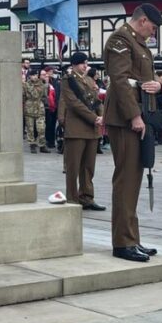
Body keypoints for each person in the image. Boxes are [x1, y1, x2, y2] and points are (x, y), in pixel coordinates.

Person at [102, 3, 162, 263]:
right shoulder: (120, 40)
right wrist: (134, 115)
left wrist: (157, 85)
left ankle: (132, 238)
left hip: (139, 116)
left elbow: (142, 80)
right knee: (126, 180)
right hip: (125, 119)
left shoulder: (138, 43)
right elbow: (120, 80)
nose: (154, 33)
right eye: (153, 27)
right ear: (142, 21)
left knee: (134, 181)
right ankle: (122, 243)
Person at [59, 52, 105, 210]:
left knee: (88, 166)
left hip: (92, 130)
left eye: (86, 63)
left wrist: (102, 115)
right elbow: (74, 104)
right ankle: (72, 198)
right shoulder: (68, 80)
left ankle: (87, 197)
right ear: (73, 65)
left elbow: (96, 100)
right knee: (73, 167)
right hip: (77, 128)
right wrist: (94, 118)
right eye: (81, 63)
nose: (85, 66)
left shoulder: (89, 79)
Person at [22, 72, 47, 154]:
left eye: (36, 75)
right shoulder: (26, 85)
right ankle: (32, 145)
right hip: (29, 108)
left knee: (41, 128)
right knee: (30, 128)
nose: (35, 77)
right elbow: (23, 96)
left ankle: (42, 145)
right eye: (33, 75)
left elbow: (44, 96)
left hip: (39, 108)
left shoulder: (42, 84)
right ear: (29, 76)